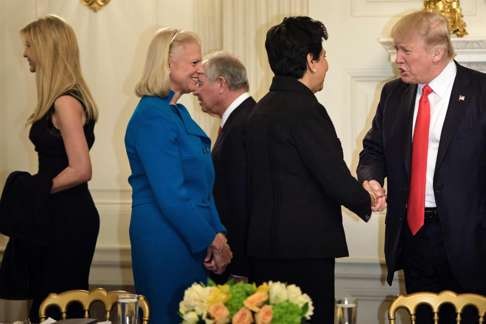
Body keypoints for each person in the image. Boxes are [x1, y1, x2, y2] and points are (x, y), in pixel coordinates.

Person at [358, 10, 486, 323]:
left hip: (471, 242)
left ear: (437, 52)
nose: (396, 59)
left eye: (405, 51)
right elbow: (374, 149)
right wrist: (371, 179)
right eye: (395, 50)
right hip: (413, 236)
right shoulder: (393, 94)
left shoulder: (481, 92)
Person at [245, 16, 375, 324]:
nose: (327, 64)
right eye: (325, 56)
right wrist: (367, 199)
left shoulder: (259, 110)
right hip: (304, 251)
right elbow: (332, 174)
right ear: (310, 60)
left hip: (262, 249)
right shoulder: (305, 110)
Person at [124, 28, 232, 323]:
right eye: (194, 63)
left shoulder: (179, 114)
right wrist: (210, 238)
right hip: (164, 239)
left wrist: (218, 233)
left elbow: (203, 188)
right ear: (167, 65)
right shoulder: (150, 116)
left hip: (193, 237)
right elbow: (170, 194)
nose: (202, 70)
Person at [0, 15, 100, 322]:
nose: (26, 53)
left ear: (45, 48)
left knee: (55, 309)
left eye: (29, 45)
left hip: (66, 220)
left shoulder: (64, 102)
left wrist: (35, 191)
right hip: (59, 216)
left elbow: (81, 169)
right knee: (48, 308)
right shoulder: (65, 98)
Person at [194, 51, 256, 282]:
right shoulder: (240, 119)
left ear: (221, 83)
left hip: (241, 262)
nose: (196, 90)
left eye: (201, 82)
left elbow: (242, 201)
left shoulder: (244, 124)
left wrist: (239, 266)